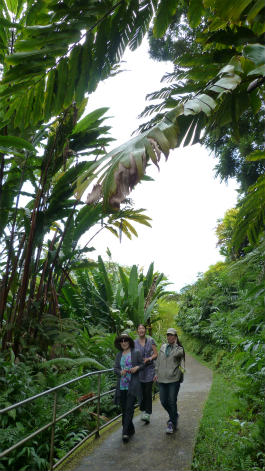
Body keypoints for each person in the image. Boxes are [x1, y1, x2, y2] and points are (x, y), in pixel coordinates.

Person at [114, 332, 144, 442]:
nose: (124, 342)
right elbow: (115, 369)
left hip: (132, 385)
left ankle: (125, 432)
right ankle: (130, 429)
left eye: (125, 340)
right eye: (121, 340)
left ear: (129, 341)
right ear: (119, 343)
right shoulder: (119, 355)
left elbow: (142, 364)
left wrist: (136, 368)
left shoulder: (135, 352)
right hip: (121, 386)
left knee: (129, 408)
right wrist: (120, 371)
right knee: (124, 409)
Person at [154, 327, 185, 434]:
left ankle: (172, 423)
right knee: (163, 401)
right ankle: (174, 415)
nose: (169, 337)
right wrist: (156, 373)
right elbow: (158, 361)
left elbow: (178, 355)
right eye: (168, 335)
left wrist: (175, 344)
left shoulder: (179, 349)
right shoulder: (162, 347)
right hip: (162, 379)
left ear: (175, 337)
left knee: (172, 401)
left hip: (174, 379)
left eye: (171, 335)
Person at [134, 324, 158, 424]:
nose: (141, 330)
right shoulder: (134, 343)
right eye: (139, 329)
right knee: (140, 392)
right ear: (137, 331)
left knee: (147, 391)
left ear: (145, 330)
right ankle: (143, 410)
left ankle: (147, 413)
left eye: (142, 328)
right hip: (139, 370)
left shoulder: (150, 341)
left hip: (149, 370)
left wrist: (149, 358)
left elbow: (156, 354)